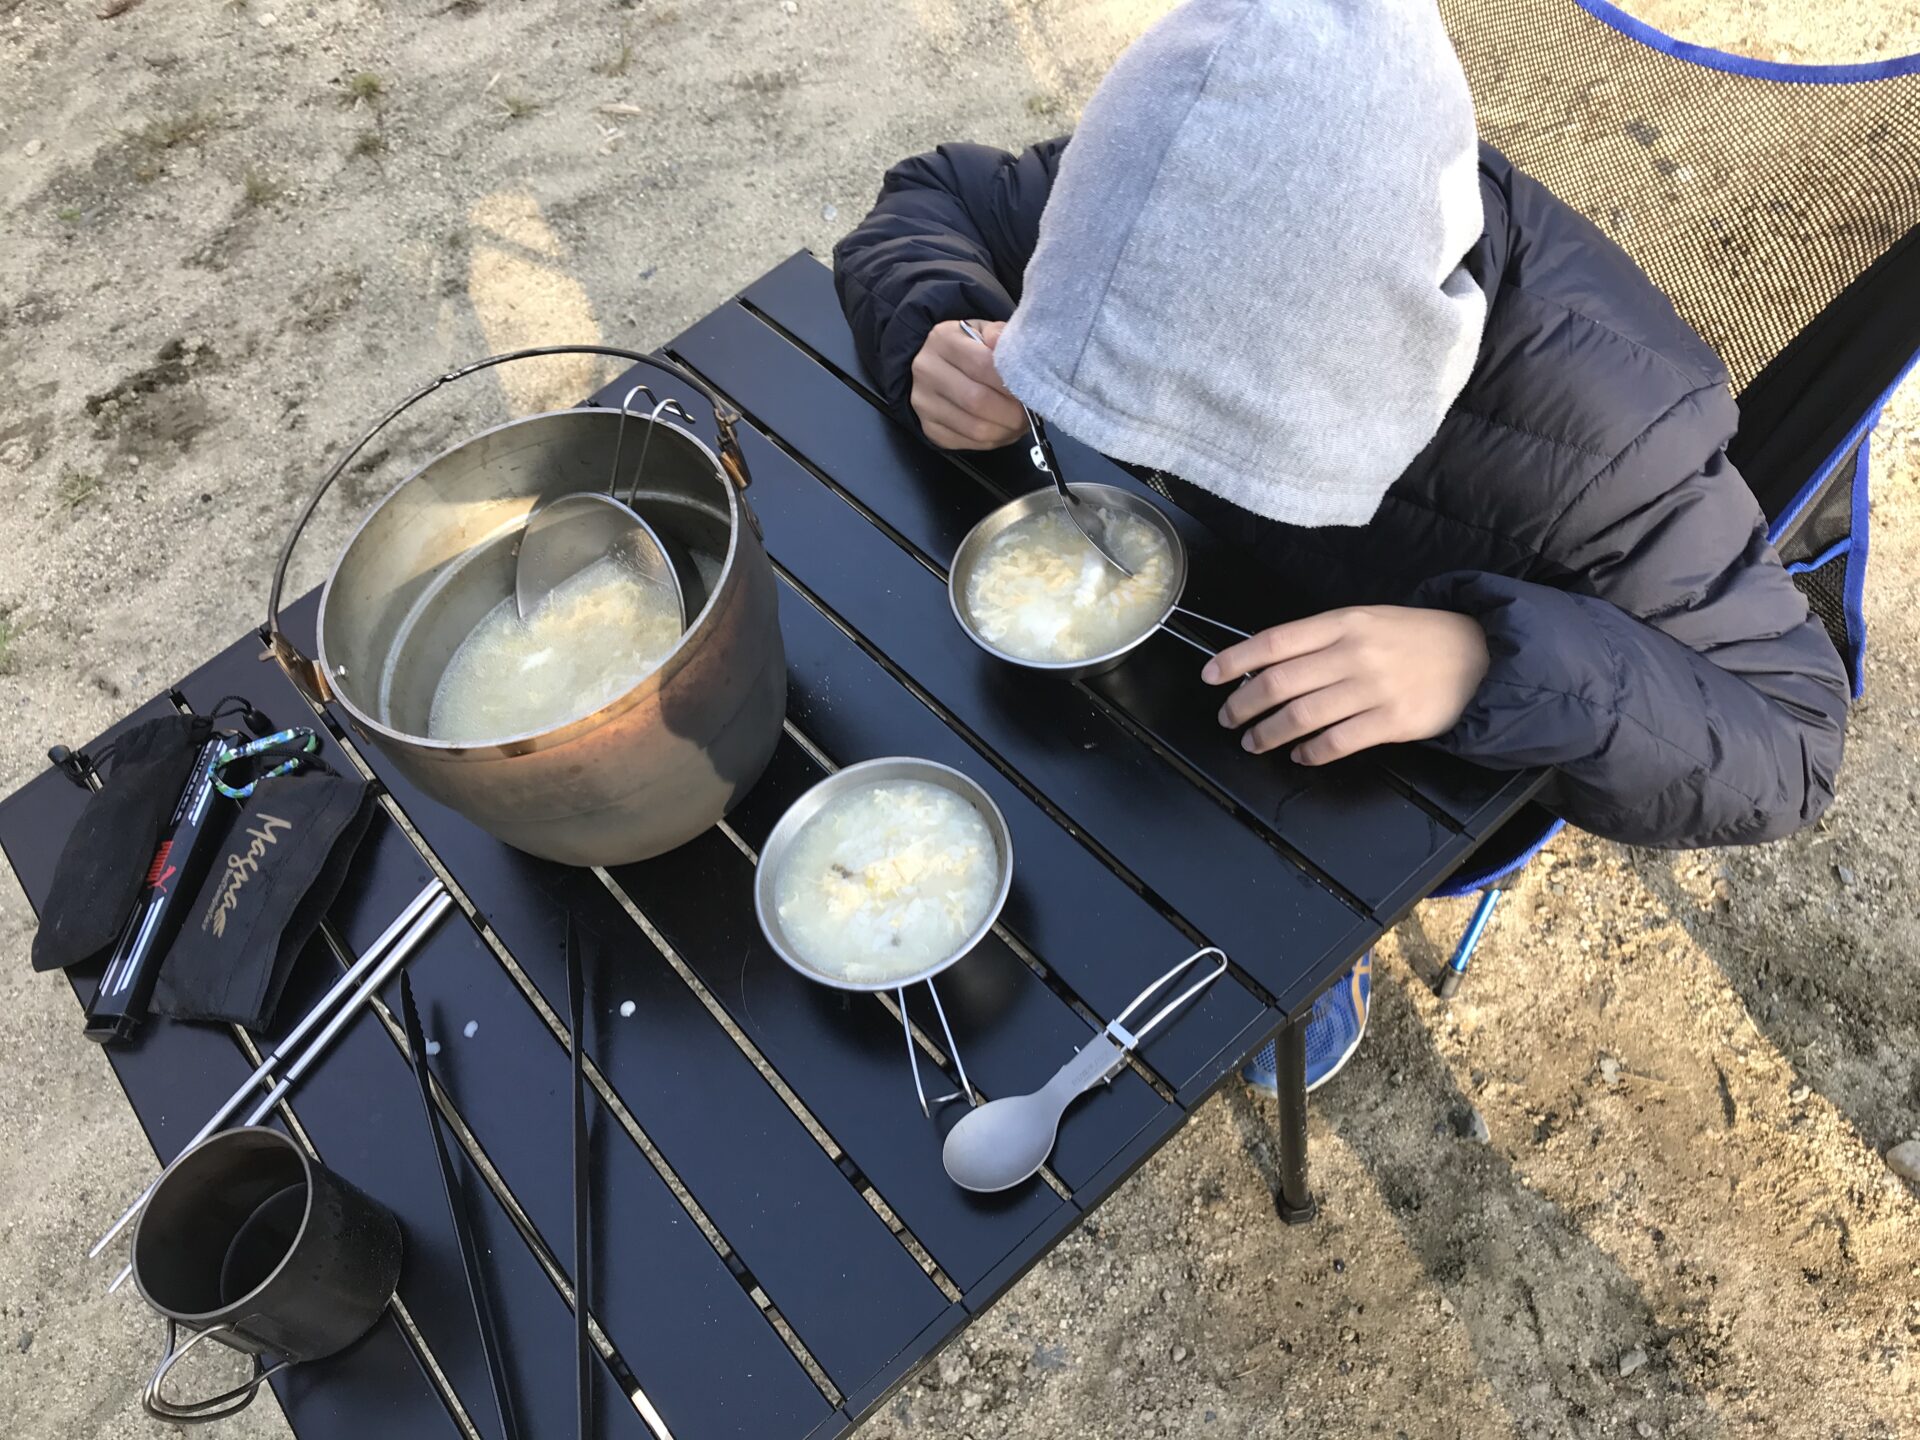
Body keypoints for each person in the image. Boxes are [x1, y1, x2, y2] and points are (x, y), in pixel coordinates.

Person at [832, 0, 1849, 1094]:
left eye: (1220, 426)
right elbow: (931, 196)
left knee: (1258, 854)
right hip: (1192, 613)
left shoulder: (1604, 443)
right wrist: (941, 322)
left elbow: (1792, 743)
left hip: (1410, 713)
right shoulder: (1192, 179)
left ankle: (1320, 981)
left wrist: (1485, 662)